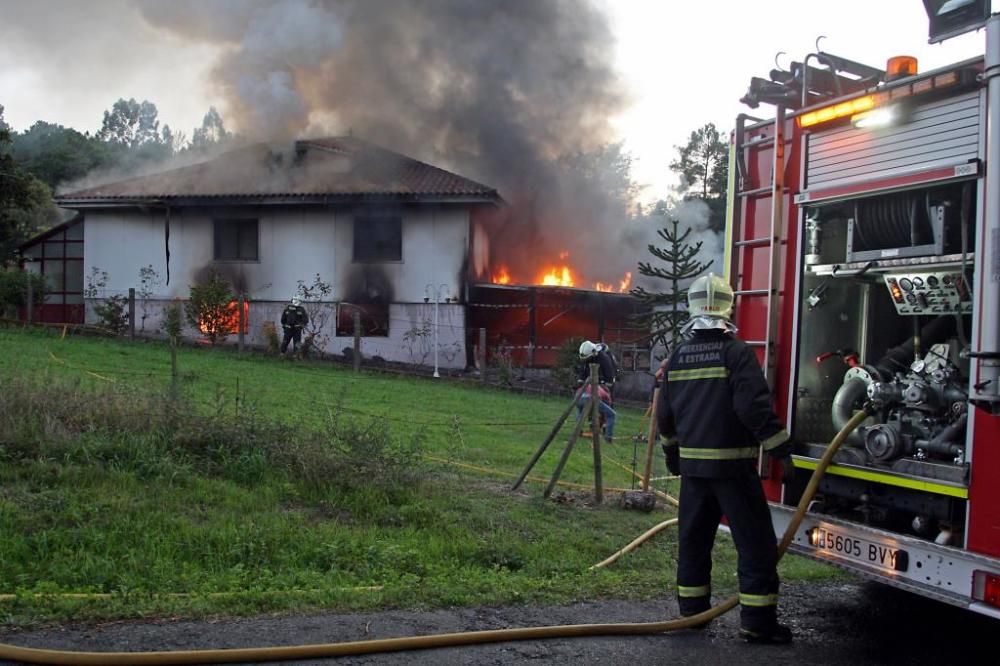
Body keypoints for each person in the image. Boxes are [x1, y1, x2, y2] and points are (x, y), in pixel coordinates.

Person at [656, 273, 796, 645]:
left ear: (693, 306)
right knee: (755, 544)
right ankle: (757, 622)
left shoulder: (677, 358)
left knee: (694, 540)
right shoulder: (735, 353)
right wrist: (782, 449)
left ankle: (693, 613)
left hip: (693, 473)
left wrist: (672, 455)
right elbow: (752, 407)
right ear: (727, 308)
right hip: (733, 470)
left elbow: (665, 417)